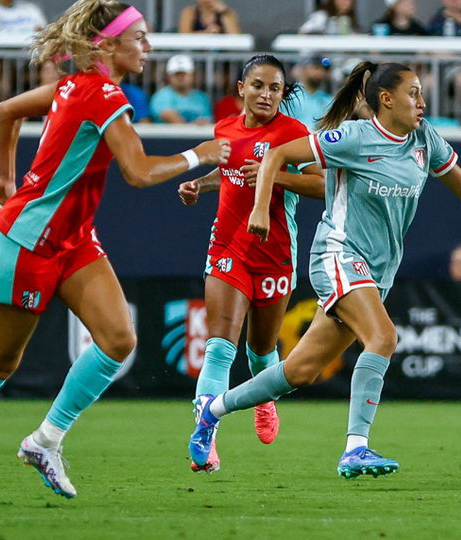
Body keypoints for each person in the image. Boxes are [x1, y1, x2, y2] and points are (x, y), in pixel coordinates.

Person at [0, 0, 230, 509]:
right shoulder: (101, 93)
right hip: (25, 241)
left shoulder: (75, 85)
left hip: (72, 239)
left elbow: (7, 112)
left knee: (118, 338)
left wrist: (7, 176)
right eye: (139, 37)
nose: (148, 46)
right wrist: (197, 155)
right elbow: (137, 172)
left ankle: (45, 441)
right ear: (109, 45)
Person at [188, 61, 461, 480]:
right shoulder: (354, 137)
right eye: (413, 93)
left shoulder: (424, 139)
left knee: (299, 371)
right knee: (384, 336)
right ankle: (355, 448)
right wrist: (260, 209)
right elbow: (278, 155)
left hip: (378, 270)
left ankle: (212, 412)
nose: (422, 101)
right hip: (338, 253)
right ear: (386, 99)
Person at [176, 54, 325, 473]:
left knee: (261, 352)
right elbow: (230, 173)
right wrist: (199, 186)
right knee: (219, 349)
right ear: (241, 88)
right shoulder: (224, 128)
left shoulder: (294, 134)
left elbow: (322, 183)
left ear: (282, 94)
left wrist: (273, 172)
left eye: (275, 88)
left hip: (275, 254)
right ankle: (206, 433)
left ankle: (264, 399)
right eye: (258, 85)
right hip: (228, 248)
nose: (266, 94)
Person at [149, 54, 213, 124]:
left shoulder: (202, 98)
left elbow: (206, 121)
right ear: (168, 76)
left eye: (184, 74)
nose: (180, 78)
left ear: (192, 75)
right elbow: (170, 117)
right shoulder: (161, 96)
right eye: (176, 74)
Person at [290, 55, 334, 131]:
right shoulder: (288, 96)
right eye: (316, 68)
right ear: (304, 70)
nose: (320, 73)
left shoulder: (329, 100)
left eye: (323, 70)